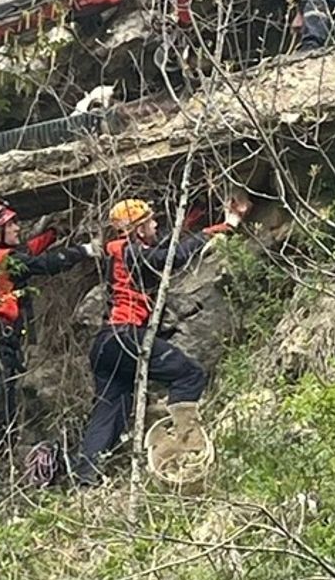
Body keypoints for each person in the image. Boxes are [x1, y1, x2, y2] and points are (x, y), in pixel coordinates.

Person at [73, 195, 251, 485]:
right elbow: (171, 258)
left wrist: (194, 219)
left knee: (109, 410)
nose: (156, 224)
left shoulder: (124, 252)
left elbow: (164, 245)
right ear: (139, 229)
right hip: (126, 337)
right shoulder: (131, 252)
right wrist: (226, 226)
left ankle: (85, 478)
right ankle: (187, 443)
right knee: (190, 374)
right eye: (150, 222)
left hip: (107, 344)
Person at [0, 199, 97, 484]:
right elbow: (41, 263)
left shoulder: (2, 260)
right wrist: (83, 250)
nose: (16, 227)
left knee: (3, 411)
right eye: (10, 224)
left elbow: (29, 252)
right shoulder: (3, 262)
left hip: (0, 346)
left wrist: (53, 235)